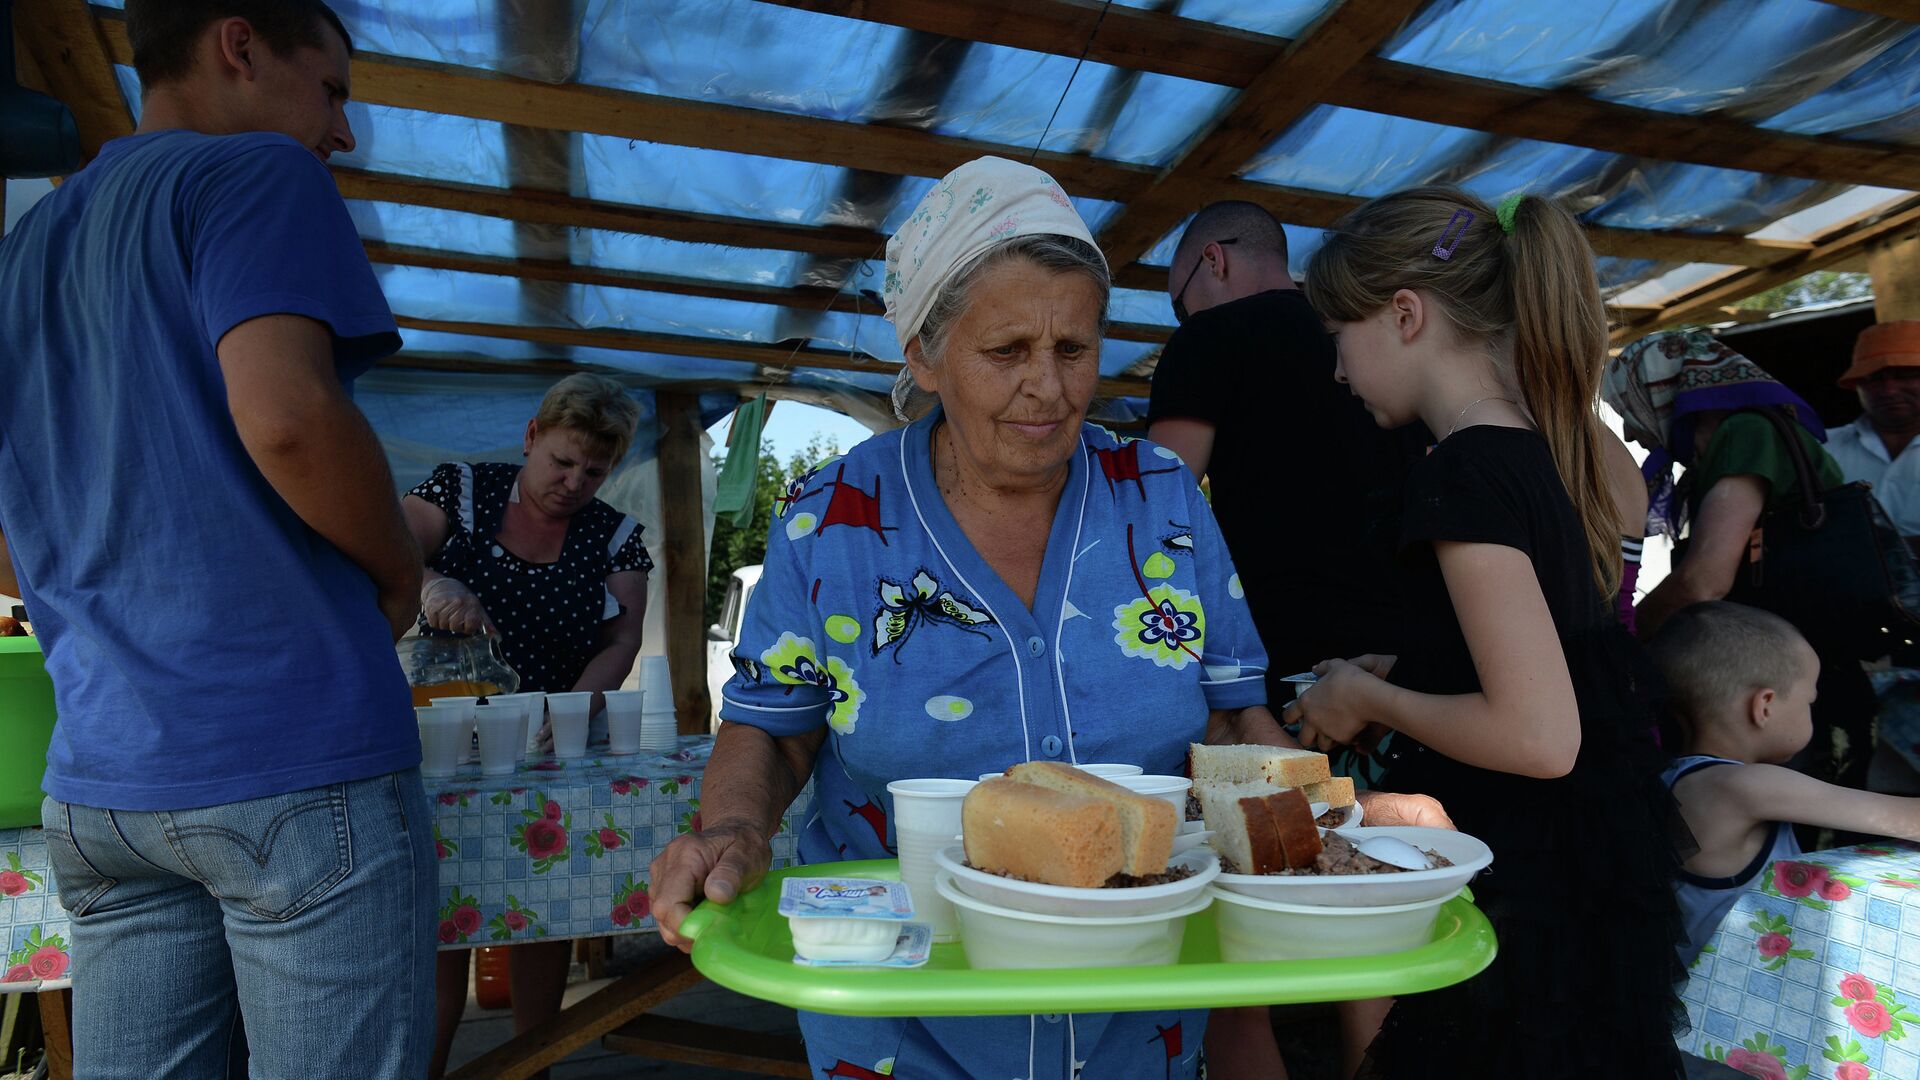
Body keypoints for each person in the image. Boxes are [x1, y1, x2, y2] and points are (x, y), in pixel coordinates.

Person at [646, 156, 1441, 1080]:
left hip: (1137, 1006)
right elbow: (775, 731)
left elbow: (1231, 719)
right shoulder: (830, 522)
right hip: (909, 1010)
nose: (1051, 389)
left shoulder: (1161, 495)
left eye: (1074, 349)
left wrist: (1330, 842)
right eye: (1008, 351)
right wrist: (734, 830)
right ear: (924, 355)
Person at [0, 2, 436, 1076]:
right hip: (287, 742)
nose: (340, 132)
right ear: (238, 44)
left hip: (102, 783)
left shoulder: (28, 246)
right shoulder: (254, 175)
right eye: (332, 88)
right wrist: (396, 575)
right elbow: (287, 418)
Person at [1287, 186, 1686, 1078]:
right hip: (1591, 875)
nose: (1341, 373)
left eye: (1339, 340)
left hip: (1526, 891)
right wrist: (1413, 666)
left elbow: (1539, 736)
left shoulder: (1460, 475)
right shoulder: (1547, 448)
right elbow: (1556, 655)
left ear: (1403, 314)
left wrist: (1364, 695)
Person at [401, 373, 653, 1078]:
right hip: (442, 748)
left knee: (538, 908)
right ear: (532, 438)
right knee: (440, 926)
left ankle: (528, 1067)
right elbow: (389, 547)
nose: (574, 482)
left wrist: (571, 707)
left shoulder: (618, 537)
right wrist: (433, 583)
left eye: (594, 471)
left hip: (548, 749)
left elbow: (621, 642)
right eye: (562, 461)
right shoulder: (464, 491)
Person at [1147, 200, 1420, 685]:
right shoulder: (1366, 337)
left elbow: (1159, 504)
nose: (1182, 319)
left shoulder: (1206, 338)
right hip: (1400, 648)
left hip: (1284, 649)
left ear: (1215, 259)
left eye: (1179, 305)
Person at [1603, 331, 1877, 798]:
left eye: (1632, 406)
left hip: (1799, 680)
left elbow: (1704, 580)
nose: (1631, 430)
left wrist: (1625, 636)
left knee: (1810, 837)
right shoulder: (1731, 444)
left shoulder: (1747, 431)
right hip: (1798, 665)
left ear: (1664, 391)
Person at [1647, 601, 1920, 963]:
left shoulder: (1668, 775)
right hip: (1731, 998)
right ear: (1765, 706)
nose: (1813, 712)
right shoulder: (1744, 787)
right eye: (1810, 701)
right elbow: (1905, 818)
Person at [1827, 321, 1920, 542]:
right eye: (1874, 379)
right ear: (1857, 386)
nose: (1889, 390)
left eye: (1904, 375)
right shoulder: (1822, 449)